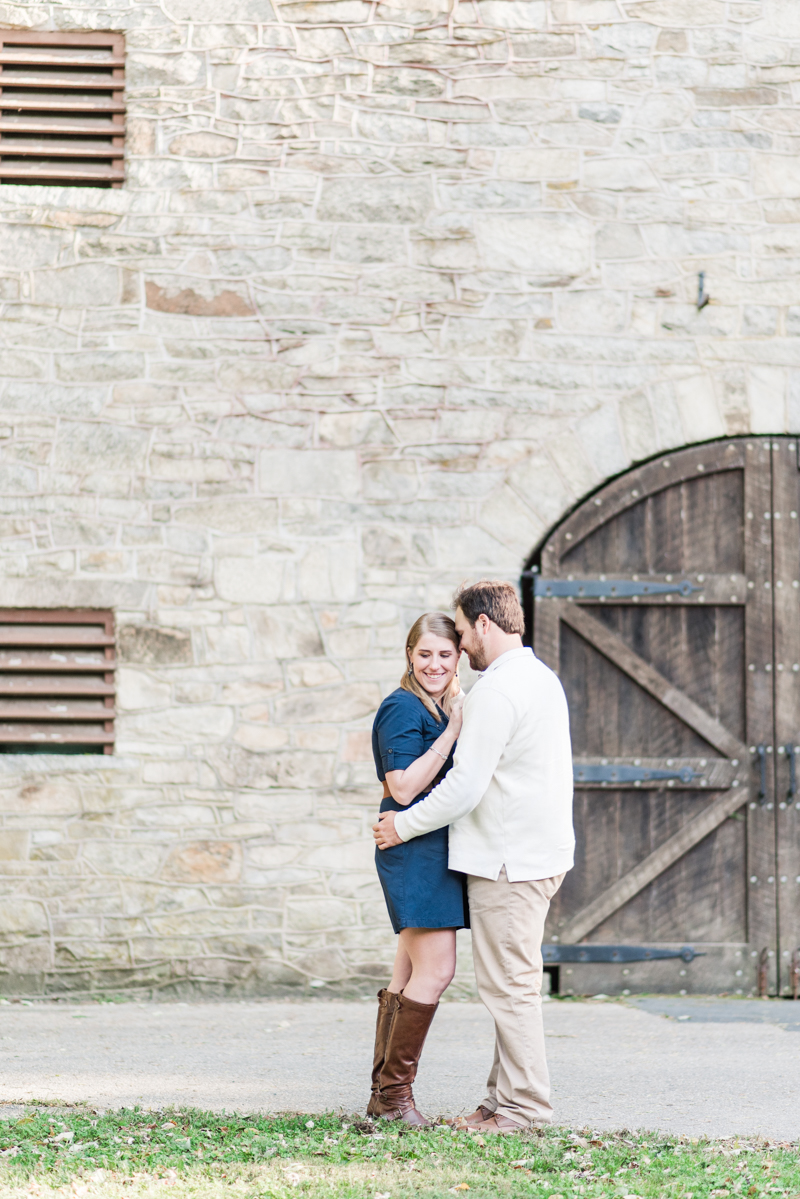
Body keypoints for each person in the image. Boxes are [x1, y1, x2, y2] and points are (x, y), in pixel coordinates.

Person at [374, 580, 574, 1134]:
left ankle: (523, 1110)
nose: (459, 647)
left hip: (510, 861)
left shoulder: (495, 692)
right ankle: (498, 1100)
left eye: (459, 634)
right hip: (537, 854)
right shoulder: (539, 678)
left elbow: (465, 787)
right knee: (511, 984)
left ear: (483, 625)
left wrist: (403, 825)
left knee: (510, 989)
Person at [368, 612, 469, 1127]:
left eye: (445, 654)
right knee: (437, 970)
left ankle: (382, 1096)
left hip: (432, 850)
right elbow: (403, 788)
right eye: (424, 653)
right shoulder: (402, 706)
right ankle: (395, 1098)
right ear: (410, 655)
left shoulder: (431, 703)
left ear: (459, 658)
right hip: (414, 851)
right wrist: (453, 729)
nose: (434, 663)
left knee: (406, 974)